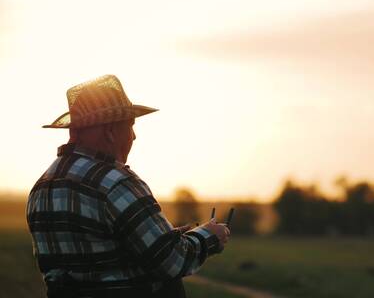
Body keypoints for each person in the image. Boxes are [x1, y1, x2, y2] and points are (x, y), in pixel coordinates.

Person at [26, 75, 230, 298]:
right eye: (130, 126)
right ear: (110, 131)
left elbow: (95, 261)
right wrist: (209, 236)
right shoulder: (116, 183)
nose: (134, 136)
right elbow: (172, 260)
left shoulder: (40, 189)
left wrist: (166, 236)